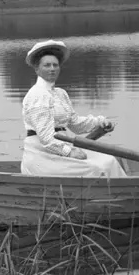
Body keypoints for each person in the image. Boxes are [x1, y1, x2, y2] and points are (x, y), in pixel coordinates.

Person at [20, 39, 127, 178]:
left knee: (110, 160)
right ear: (37, 69)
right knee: (99, 167)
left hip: (60, 148)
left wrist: (99, 122)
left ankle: (120, 196)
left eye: (55, 65)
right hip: (41, 156)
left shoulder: (60, 93)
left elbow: (75, 124)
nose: (52, 69)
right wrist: (69, 152)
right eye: (47, 65)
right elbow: (46, 138)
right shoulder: (37, 95)